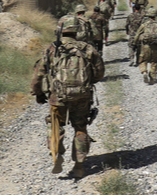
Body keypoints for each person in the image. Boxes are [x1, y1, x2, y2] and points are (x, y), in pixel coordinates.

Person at [30, 15, 105, 178]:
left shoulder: (52, 49)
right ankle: (79, 166)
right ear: (77, 31)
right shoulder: (87, 48)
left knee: (56, 126)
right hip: (82, 97)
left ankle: (57, 154)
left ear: (60, 30)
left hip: (58, 97)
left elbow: (38, 75)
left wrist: (38, 93)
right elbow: (100, 72)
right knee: (80, 128)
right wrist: (86, 83)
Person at [133, 6, 157, 85]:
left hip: (145, 46)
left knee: (143, 60)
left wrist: (135, 44)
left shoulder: (144, 25)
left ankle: (144, 72)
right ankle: (152, 78)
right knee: (154, 62)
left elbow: (137, 34)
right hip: (155, 46)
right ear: (155, 15)